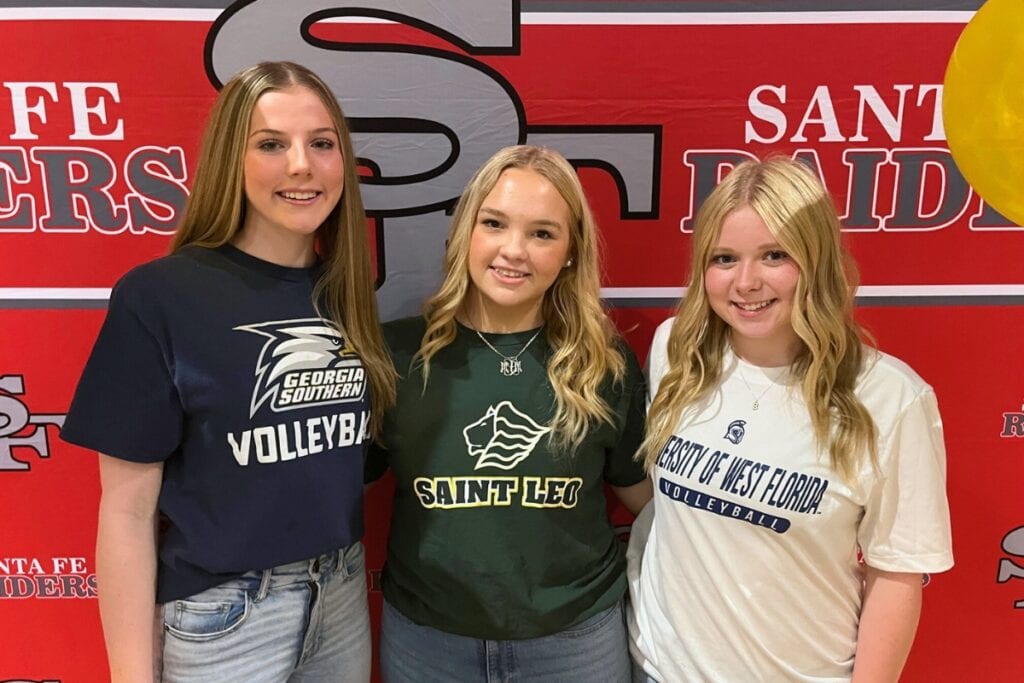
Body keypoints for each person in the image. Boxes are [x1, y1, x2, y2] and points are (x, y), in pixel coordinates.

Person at [60, 61, 395, 683]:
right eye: (272, 144)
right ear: (229, 160)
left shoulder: (346, 292)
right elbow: (127, 514)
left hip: (343, 593)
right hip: (226, 618)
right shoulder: (160, 297)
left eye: (322, 144)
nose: (302, 164)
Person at [627, 157, 954, 682]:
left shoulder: (890, 398)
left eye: (775, 255)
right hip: (659, 671)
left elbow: (897, 573)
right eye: (724, 258)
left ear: (817, 259)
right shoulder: (676, 350)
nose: (746, 281)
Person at [366, 145, 652, 682]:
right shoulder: (397, 355)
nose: (513, 250)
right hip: (430, 642)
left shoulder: (601, 363)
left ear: (570, 251)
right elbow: (328, 487)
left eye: (542, 233)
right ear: (464, 234)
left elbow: (651, 503)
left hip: (574, 643)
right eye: (494, 223)